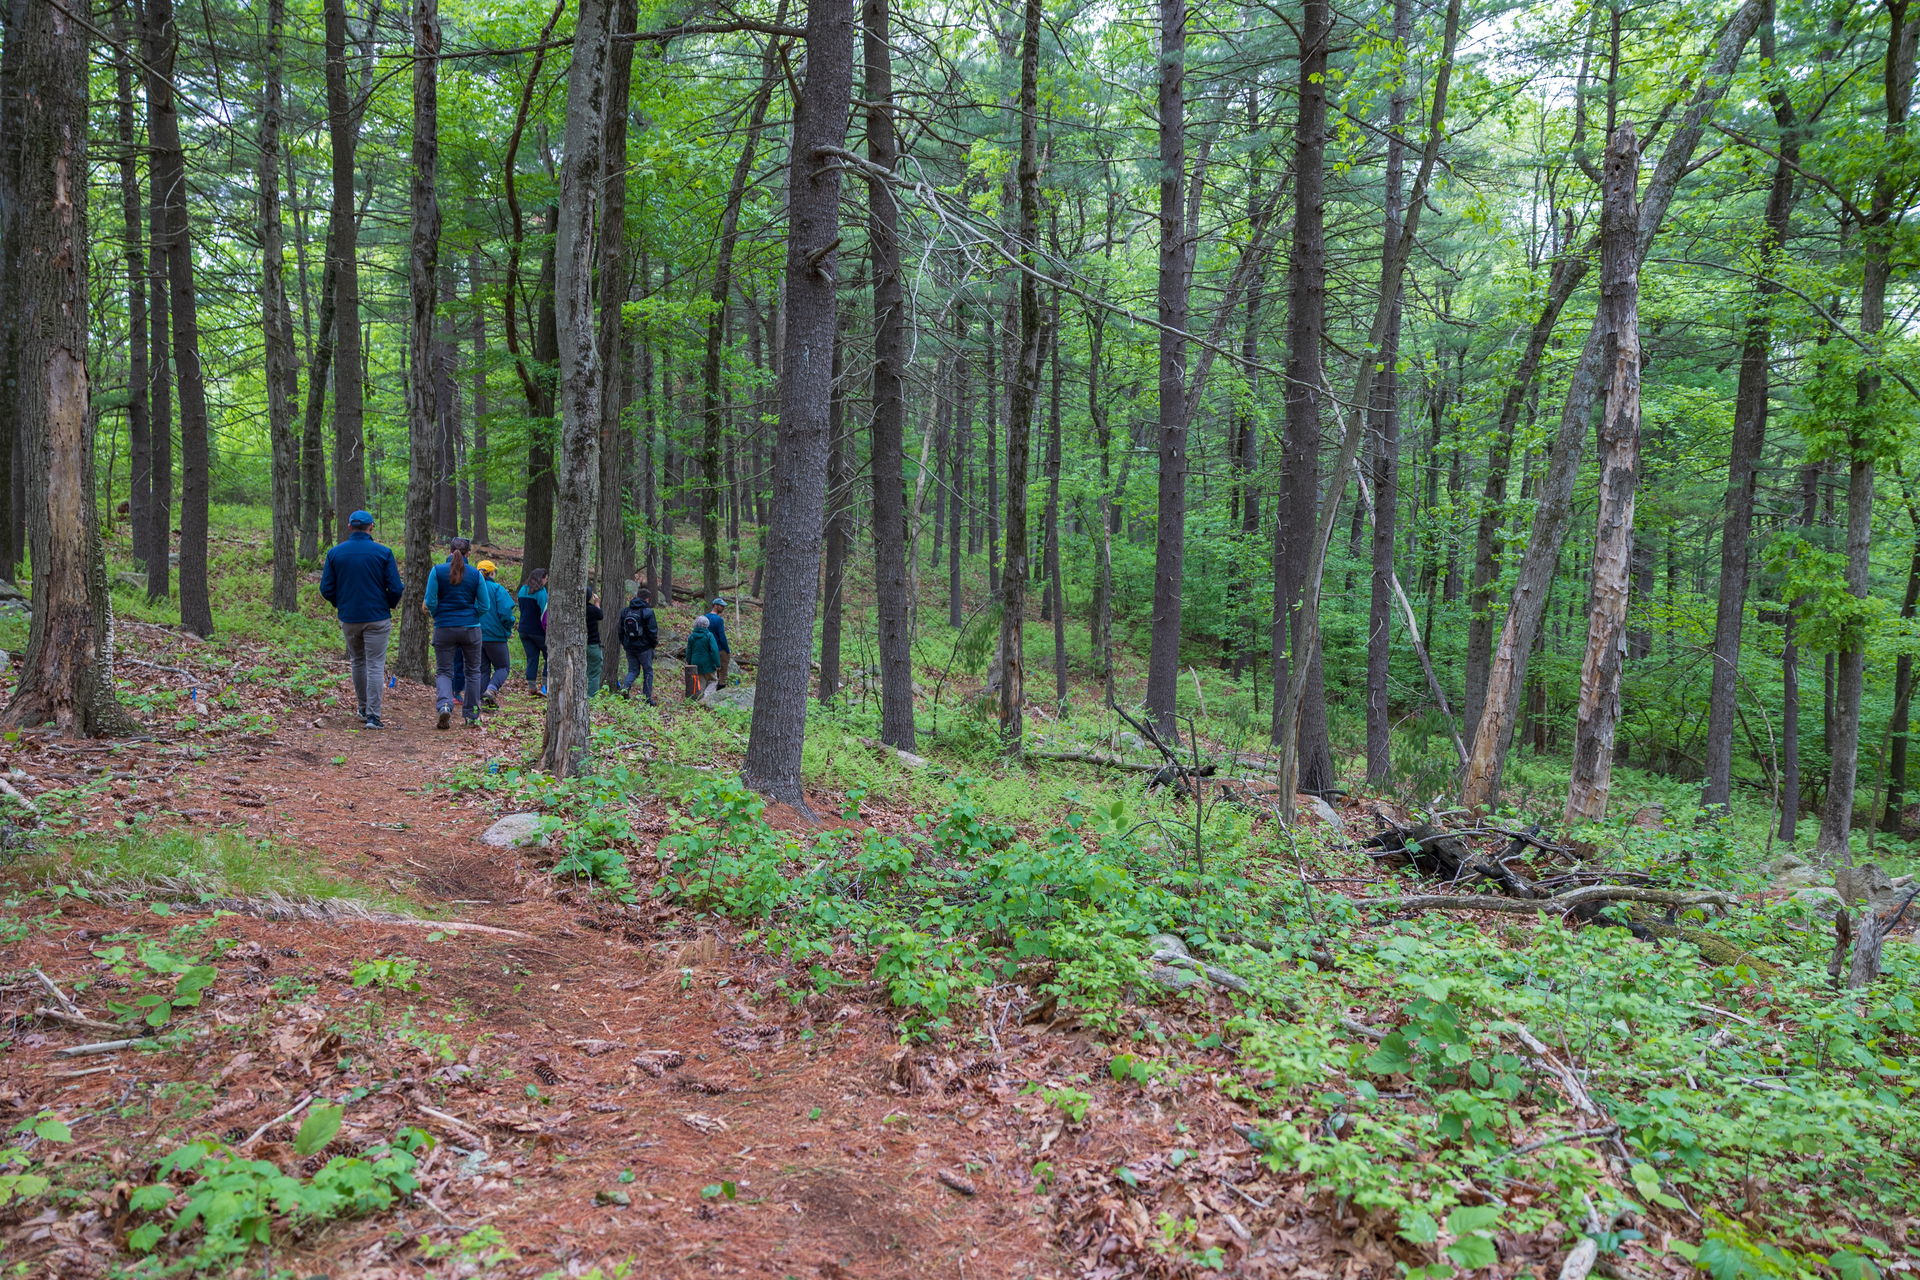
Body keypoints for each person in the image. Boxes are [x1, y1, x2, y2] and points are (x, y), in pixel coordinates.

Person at [319, 509, 404, 729]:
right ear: (371, 527)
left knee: (358, 661)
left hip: (350, 617)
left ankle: (364, 708)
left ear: (349, 527)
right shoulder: (383, 552)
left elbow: (326, 588)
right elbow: (395, 587)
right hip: (377, 617)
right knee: (375, 665)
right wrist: (388, 604)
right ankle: (373, 716)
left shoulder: (335, 553)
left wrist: (342, 603)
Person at [424, 536, 486, 730]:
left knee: (444, 671)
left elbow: (430, 601)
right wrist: (473, 616)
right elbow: (485, 605)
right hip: (470, 629)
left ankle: (444, 705)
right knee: (473, 671)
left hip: (444, 628)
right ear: (469, 554)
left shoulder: (437, 571)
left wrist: (438, 615)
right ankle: (472, 715)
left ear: (449, 551)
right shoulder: (476, 574)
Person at [476, 560, 518, 707]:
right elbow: (506, 613)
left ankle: (483, 701)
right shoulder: (497, 589)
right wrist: (508, 626)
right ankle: (491, 690)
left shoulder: (473, 589)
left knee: (483, 670)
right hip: (495, 637)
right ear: (492, 572)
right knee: (503, 667)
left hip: (476, 636)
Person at [618, 589, 658, 704]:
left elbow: (620, 630)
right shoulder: (648, 612)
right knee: (648, 672)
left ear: (636, 596)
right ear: (647, 599)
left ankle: (625, 689)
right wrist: (653, 644)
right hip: (644, 648)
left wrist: (625, 643)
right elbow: (652, 631)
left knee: (633, 670)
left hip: (630, 646)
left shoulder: (626, 611)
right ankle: (647, 699)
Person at [517, 568, 549, 695]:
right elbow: (545, 613)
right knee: (549, 656)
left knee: (532, 658)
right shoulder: (541, 593)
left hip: (523, 630)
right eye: (546, 579)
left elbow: (521, 608)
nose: (546, 581)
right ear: (541, 579)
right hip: (538, 631)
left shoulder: (522, 590)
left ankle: (531, 687)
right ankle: (545, 687)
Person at [686, 615, 721, 698]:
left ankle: (700, 702)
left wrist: (690, 664)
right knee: (713, 680)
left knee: (701, 684)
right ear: (706, 625)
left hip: (696, 664)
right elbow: (714, 651)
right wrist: (717, 664)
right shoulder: (709, 635)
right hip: (708, 664)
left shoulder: (691, 636)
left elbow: (688, 652)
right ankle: (706, 697)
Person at [703, 598, 732, 688]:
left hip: (708, 649)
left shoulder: (705, 617)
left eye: (724, 606)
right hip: (719, 649)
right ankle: (720, 693)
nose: (723, 608)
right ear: (715, 606)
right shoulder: (719, 620)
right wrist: (727, 650)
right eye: (721, 606)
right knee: (723, 673)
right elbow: (722, 637)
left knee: (712, 673)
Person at [586, 591, 606, 697]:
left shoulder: (574, 610)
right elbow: (600, 615)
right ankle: (591, 699)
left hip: (578, 646)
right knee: (593, 674)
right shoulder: (592, 609)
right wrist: (597, 603)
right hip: (593, 645)